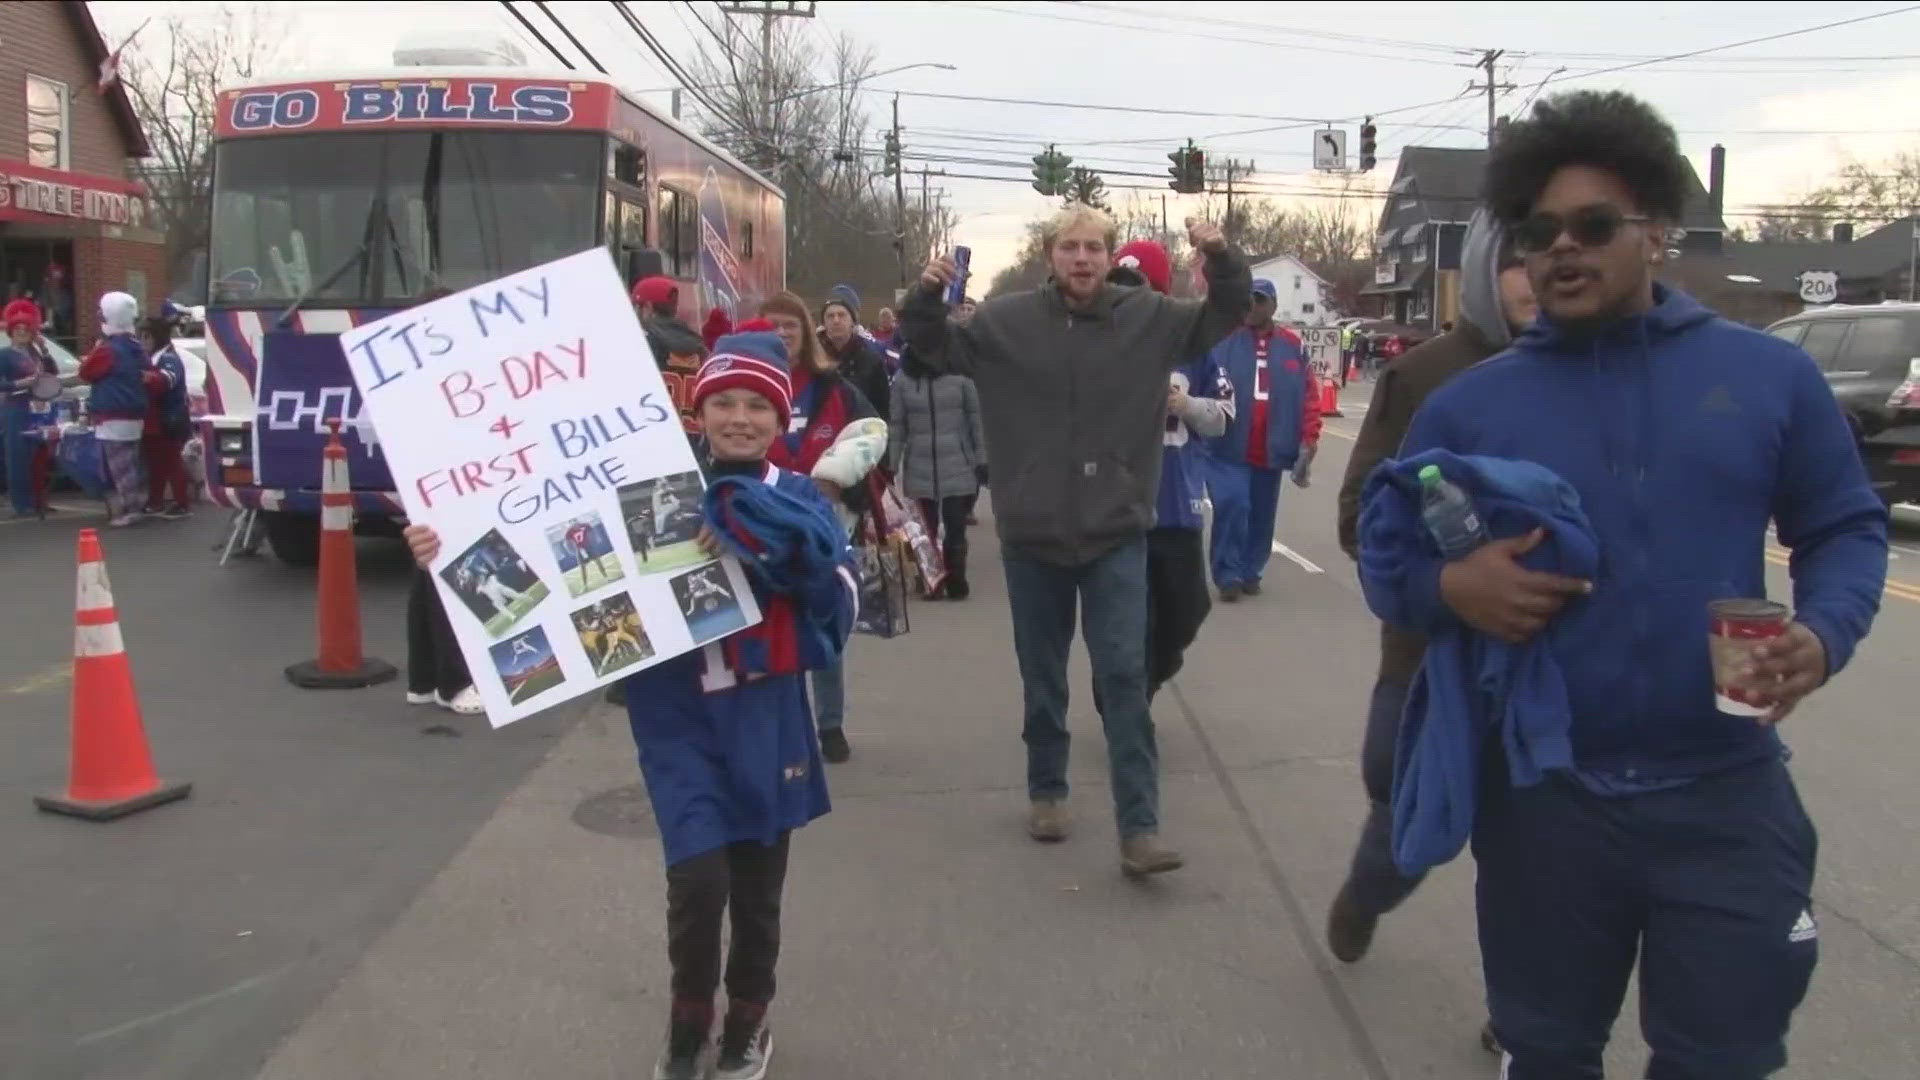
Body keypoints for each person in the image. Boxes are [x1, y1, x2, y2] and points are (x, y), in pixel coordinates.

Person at [1361, 89, 1888, 1078]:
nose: (1561, 249)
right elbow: (1391, 565)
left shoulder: (1766, 379)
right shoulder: (1470, 408)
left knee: (1723, 1059)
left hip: (1725, 799)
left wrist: (1822, 634)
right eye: (1536, 232)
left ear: (1655, 233)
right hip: (1548, 808)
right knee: (1550, 1052)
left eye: (1593, 226)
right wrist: (1452, 590)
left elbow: (1846, 527)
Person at [406, 331, 856, 1080]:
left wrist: (782, 557)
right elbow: (545, 543)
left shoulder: (797, 499)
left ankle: (749, 1019)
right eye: (722, 403)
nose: (738, 418)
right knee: (698, 882)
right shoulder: (654, 484)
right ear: (699, 409)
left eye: (756, 405)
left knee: (757, 892)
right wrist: (446, 544)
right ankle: (688, 1024)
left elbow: (840, 604)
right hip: (676, 716)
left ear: (781, 421)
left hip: (766, 716)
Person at [903, 209, 1249, 875]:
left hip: (1116, 531)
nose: (1082, 259)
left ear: (1108, 256)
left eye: (1094, 248)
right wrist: (925, 294)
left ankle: (1140, 828)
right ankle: (1048, 790)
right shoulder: (1006, 322)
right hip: (1032, 535)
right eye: (1070, 248)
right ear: (1049, 255)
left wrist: (1220, 256)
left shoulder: (1149, 319)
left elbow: (1226, 312)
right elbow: (931, 345)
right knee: (1043, 676)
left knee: (1124, 675)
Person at [1324, 208, 1534, 1056]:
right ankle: (1367, 894)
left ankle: (1524, 1009)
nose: (1537, 277)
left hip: (1541, 663)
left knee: (1530, 850)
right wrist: (1453, 578)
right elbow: (1355, 515)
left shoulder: (1594, 374)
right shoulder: (1427, 376)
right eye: (1517, 260)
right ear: (1487, 269)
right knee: (1403, 809)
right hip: (1427, 655)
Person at [1106, 240, 1236, 699]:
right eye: (1117, 286)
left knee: (1186, 610)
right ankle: (1123, 700)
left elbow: (1223, 417)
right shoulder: (1096, 342)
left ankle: (1152, 675)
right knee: (1127, 618)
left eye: (1136, 286)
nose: (1125, 297)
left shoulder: (1192, 346)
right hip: (1116, 507)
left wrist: (1186, 404)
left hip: (1176, 503)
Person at [759, 294, 881, 765]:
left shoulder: (833, 387)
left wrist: (835, 474)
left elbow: (872, 430)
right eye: (773, 325)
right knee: (770, 629)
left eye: (791, 325)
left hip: (823, 525)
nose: (783, 333)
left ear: (807, 333)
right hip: (762, 524)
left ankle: (830, 724)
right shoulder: (747, 387)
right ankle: (784, 724)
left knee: (823, 624)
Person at [1203, 278, 1321, 602]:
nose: (1254, 305)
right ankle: (1227, 574)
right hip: (1226, 447)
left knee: (1261, 514)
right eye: (1249, 299)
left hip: (1271, 448)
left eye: (1260, 299)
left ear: (1273, 305)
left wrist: (1309, 439)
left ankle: (1251, 570)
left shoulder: (1291, 346)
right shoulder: (1224, 341)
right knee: (1233, 504)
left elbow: (1309, 395)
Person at [888, 332, 987, 599]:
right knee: (925, 530)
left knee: (955, 526)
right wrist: (891, 462)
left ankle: (957, 577)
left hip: (958, 462)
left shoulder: (962, 378)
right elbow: (897, 425)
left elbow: (976, 422)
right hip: (918, 464)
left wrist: (982, 459)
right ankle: (932, 580)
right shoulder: (903, 381)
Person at [79, 292, 157, 527]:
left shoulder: (108, 350)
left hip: (113, 414)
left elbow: (86, 372)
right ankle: (136, 504)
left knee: (119, 467)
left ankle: (129, 509)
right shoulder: (136, 347)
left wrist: (96, 348)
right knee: (132, 463)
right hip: (134, 413)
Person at [634, 276, 707, 435]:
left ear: (647, 307)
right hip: (693, 443)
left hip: (652, 437)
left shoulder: (639, 344)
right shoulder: (701, 347)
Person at [2, 299, 53, 516]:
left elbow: (53, 372)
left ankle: (39, 499)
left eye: (26, 328)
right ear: (11, 332)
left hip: (37, 408)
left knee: (38, 456)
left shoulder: (35, 353)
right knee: (17, 456)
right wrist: (20, 384)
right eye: (18, 329)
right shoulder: (4, 355)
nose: (22, 332)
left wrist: (45, 349)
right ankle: (21, 503)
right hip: (15, 407)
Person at [140, 316, 193, 519]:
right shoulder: (152, 358)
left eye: (147, 336)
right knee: (157, 464)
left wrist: (149, 378)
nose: (143, 341)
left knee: (171, 462)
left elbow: (167, 380)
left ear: (157, 337)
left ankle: (181, 503)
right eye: (141, 336)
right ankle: (155, 502)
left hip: (170, 419)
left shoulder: (168, 358)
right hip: (157, 420)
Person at [818, 297, 891, 425]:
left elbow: (883, 407)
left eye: (841, 315)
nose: (836, 320)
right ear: (823, 324)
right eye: (830, 316)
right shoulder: (814, 359)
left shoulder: (870, 360)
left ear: (852, 321)